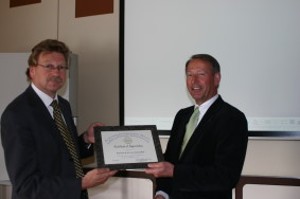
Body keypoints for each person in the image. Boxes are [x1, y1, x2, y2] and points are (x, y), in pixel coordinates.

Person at [1, 39, 117, 199]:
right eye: (49, 66)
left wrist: (86, 139)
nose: (56, 73)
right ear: (32, 71)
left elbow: (66, 155)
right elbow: (26, 186)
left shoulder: (63, 105)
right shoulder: (17, 114)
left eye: (61, 67)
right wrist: (81, 183)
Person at [145, 54, 248, 199]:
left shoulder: (232, 118)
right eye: (189, 75)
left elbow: (226, 177)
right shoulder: (182, 116)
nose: (194, 81)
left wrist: (175, 171)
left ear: (216, 78)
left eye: (201, 74)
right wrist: (162, 193)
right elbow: (169, 162)